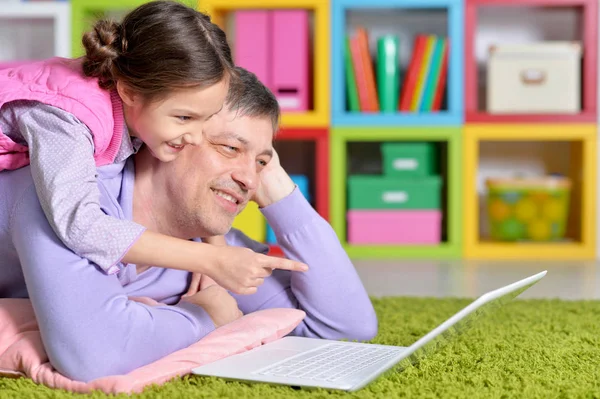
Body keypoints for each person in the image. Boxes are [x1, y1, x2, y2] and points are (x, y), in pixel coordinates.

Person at [0, 66, 378, 382]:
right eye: (230, 148)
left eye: (262, 162)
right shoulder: (59, 195)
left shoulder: (212, 251)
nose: (249, 179)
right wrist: (207, 315)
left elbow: (345, 330)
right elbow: (96, 355)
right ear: (173, 133)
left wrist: (278, 189)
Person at [0, 0, 306, 296]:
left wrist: (215, 241)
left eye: (206, 119)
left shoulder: (139, 109)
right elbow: (81, 228)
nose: (196, 137)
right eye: (184, 117)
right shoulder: (66, 119)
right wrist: (210, 260)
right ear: (130, 92)